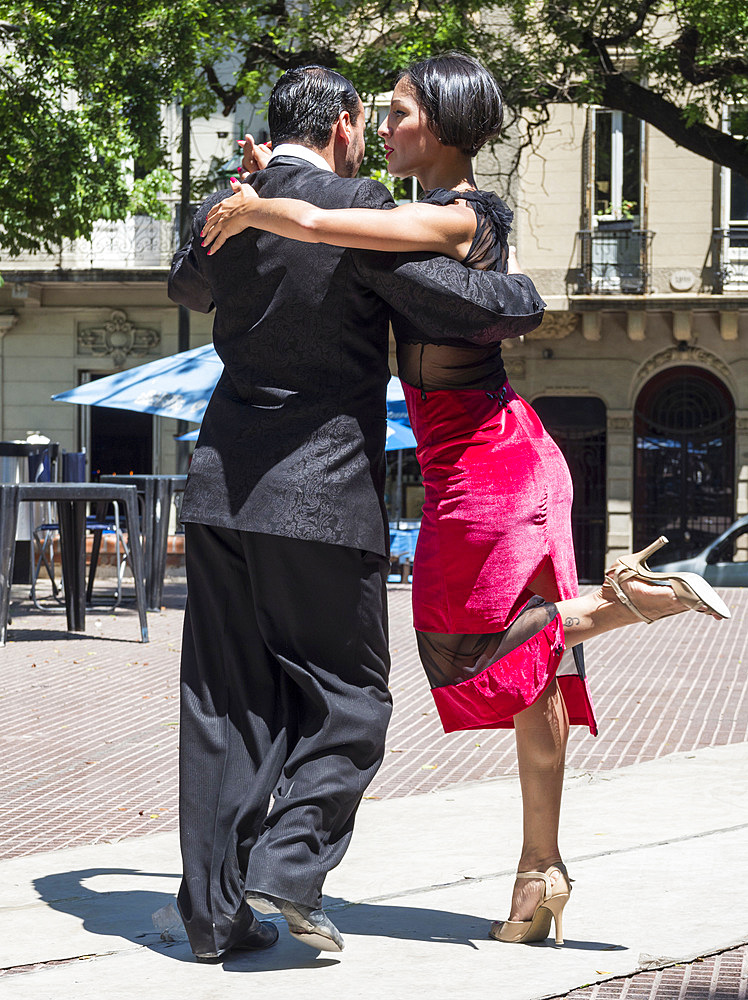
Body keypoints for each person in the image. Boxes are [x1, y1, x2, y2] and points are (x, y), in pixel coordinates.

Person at [201, 52, 731, 948]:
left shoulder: (458, 215)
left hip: (491, 459)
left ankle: (632, 600)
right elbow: (352, 216)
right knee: (533, 672)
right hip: (482, 457)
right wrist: (272, 173)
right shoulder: (428, 211)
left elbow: (328, 227)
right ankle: (541, 871)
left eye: (400, 110)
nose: (385, 122)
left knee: (462, 646)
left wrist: (257, 203)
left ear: (441, 124)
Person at [168, 64, 550, 961]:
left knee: (224, 704)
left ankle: (214, 919)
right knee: (348, 698)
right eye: (370, 118)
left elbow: (190, 285)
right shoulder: (363, 210)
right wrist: (520, 295)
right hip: (320, 492)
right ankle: (289, 870)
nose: (377, 131)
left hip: (220, 486)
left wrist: (252, 197)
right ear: (342, 125)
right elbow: (473, 305)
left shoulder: (236, 202)